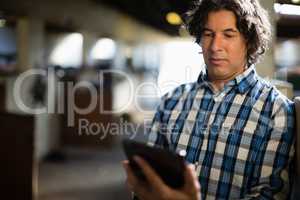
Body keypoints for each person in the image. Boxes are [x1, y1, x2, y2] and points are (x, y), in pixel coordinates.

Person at [122, 0, 295, 199]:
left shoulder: (276, 110)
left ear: (248, 41)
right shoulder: (172, 101)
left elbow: (269, 194)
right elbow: (153, 176)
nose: (215, 46)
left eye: (228, 35)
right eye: (208, 34)